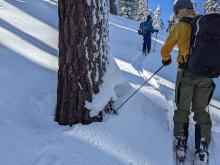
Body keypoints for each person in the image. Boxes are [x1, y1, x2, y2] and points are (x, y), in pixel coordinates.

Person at [160, 0, 215, 164]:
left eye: (176, 12)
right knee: (201, 110)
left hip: (185, 74)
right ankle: (202, 146)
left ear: (182, 10)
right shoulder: (206, 23)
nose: (176, 16)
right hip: (206, 75)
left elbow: (165, 50)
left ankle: (181, 143)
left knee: (183, 109)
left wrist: (166, 59)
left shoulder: (180, 26)